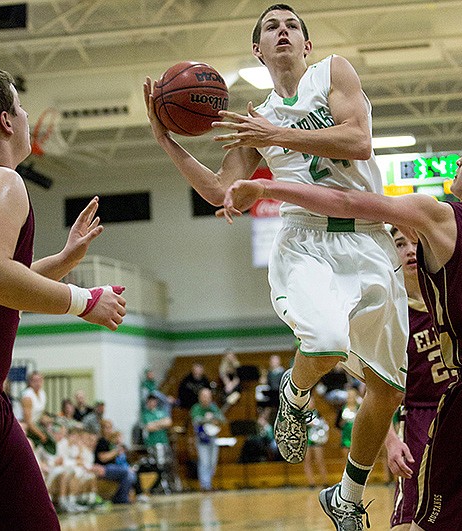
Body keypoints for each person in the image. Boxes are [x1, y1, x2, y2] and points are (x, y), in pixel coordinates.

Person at [220, 125, 462, 530]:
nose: (460, 161)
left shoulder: (441, 214)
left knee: (434, 523)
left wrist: (266, 190)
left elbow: (346, 200)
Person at [144, 6, 408, 527]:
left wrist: (275, 134)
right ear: (257, 52)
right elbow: (223, 193)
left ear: (307, 47)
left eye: (292, 25)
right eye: (271, 27)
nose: (283, 30)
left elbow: (358, 141)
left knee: (390, 388)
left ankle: (348, 496)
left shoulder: (333, 72)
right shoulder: (254, 120)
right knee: (328, 339)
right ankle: (294, 391)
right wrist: (166, 142)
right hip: (306, 243)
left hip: (369, 240)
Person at [0, 69, 127, 529]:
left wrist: (63, 260)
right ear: (6, 121)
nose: (25, 116)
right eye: (20, 107)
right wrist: (83, 300)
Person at [384, 227, 458, 530]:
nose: (410, 250)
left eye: (417, 242)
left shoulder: (454, 295)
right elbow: (375, 390)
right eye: (401, 244)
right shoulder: (389, 313)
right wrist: (390, 441)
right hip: (420, 418)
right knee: (409, 519)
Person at [190, 387, 225, 491]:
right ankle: (205, 485)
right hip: (202, 438)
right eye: (204, 396)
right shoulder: (196, 408)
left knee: (212, 462)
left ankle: (208, 483)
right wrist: (207, 419)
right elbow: (195, 420)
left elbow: (222, 419)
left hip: (213, 438)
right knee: (204, 461)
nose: (206, 398)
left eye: (208, 396)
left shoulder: (213, 407)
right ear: (200, 397)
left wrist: (215, 418)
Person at [303, 397, 330, 488]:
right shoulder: (302, 414)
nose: (310, 403)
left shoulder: (317, 413)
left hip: (317, 440)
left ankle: (325, 481)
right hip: (307, 439)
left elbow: (323, 425)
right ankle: (311, 482)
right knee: (307, 461)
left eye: (311, 401)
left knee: (320, 460)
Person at [21, 370, 50, 449]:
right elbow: (27, 422)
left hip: (36, 424)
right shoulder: (27, 396)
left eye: (40, 380)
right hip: (26, 427)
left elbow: (41, 414)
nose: (38, 383)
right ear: (30, 382)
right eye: (35, 381)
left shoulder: (42, 393)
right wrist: (41, 435)